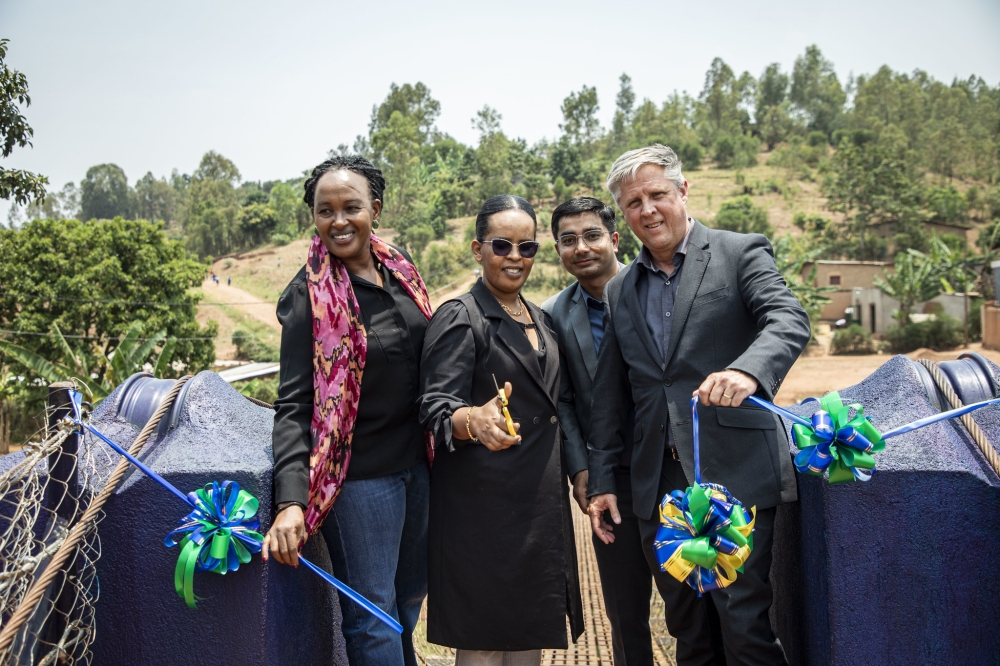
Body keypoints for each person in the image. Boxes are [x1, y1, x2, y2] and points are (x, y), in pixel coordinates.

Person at [586, 145, 810, 666]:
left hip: (736, 471)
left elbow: (788, 319)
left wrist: (747, 370)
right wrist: (601, 482)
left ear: (683, 191)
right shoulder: (620, 289)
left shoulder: (739, 252)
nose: (647, 210)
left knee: (745, 622)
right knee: (687, 627)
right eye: (633, 202)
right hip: (658, 481)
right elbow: (610, 396)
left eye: (657, 194)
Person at [263, 156, 433, 666]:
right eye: (325, 210)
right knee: (372, 617)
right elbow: (293, 404)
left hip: (419, 467)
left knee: (407, 604)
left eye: (351, 207)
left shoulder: (399, 269)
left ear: (374, 210)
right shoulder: (307, 297)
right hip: (360, 481)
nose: (339, 221)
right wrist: (289, 500)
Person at [419, 195, 584, 666]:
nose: (515, 257)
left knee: (528, 631)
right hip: (482, 509)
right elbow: (433, 406)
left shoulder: (543, 319)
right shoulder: (459, 316)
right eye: (502, 244)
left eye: (526, 247)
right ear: (477, 249)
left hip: (537, 505)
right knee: (486, 639)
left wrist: (581, 474)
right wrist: (475, 420)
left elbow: (561, 405)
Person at [540, 197, 653, 665]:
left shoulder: (658, 288)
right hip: (611, 480)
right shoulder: (553, 314)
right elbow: (562, 399)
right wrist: (582, 470)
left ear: (614, 238)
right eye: (568, 240)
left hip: (673, 466)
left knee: (699, 597)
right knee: (625, 610)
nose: (580, 248)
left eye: (591, 235)